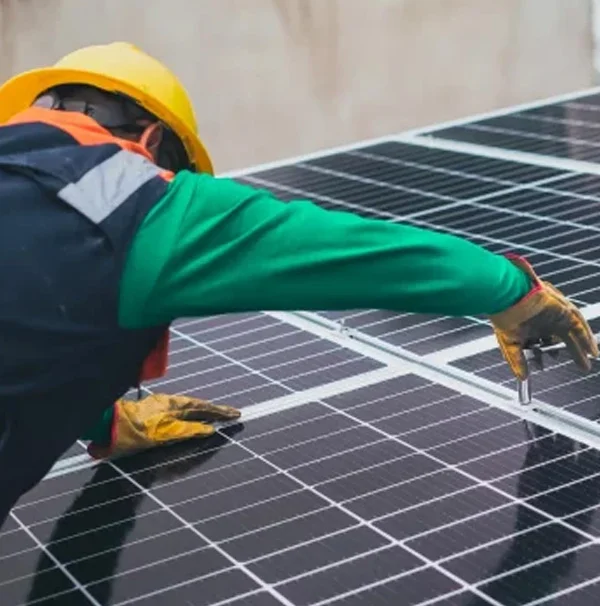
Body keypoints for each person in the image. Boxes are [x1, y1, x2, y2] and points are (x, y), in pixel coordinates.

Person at [0, 42, 596, 524]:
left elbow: (32, 302)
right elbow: (365, 254)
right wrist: (516, 293)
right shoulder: (138, 202)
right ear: (153, 142)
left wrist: (101, 420)